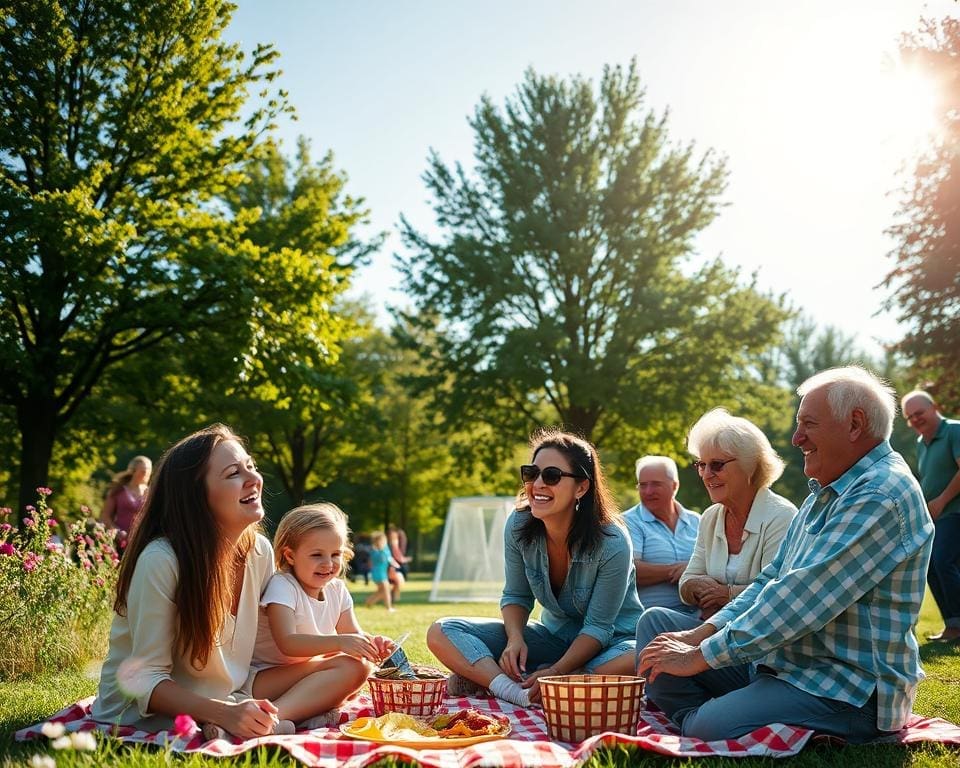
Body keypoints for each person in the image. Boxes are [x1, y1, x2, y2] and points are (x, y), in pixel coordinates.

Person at [637, 366, 935, 743]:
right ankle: (729, 712)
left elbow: (801, 597)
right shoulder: (824, 495)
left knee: (706, 726)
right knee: (657, 632)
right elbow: (768, 581)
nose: (796, 438)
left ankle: (714, 719)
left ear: (855, 424)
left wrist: (698, 656)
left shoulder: (880, 493)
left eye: (807, 424)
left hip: (845, 691)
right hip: (782, 665)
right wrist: (698, 635)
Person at [92, 425, 293, 738]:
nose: (254, 479)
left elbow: (267, 651)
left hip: (230, 692)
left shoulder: (259, 552)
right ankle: (243, 723)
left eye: (251, 466)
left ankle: (262, 721)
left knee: (349, 666)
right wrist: (225, 712)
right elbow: (144, 679)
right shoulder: (162, 560)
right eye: (233, 473)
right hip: (148, 713)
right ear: (196, 496)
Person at [426, 429, 644, 707]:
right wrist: (515, 639)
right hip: (553, 637)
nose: (538, 484)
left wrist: (557, 670)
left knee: (643, 653)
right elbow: (516, 596)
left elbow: (598, 628)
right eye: (531, 473)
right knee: (442, 630)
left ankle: (560, 679)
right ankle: (515, 691)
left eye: (552, 476)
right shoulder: (518, 525)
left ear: (581, 487)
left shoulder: (612, 540)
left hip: (612, 645)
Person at [252, 504, 394, 729]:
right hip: (263, 680)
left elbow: (352, 636)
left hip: (308, 676)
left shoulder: (337, 590)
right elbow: (287, 643)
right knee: (354, 667)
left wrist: (373, 644)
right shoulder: (283, 586)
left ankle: (295, 717)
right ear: (290, 555)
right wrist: (340, 642)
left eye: (335, 554)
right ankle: (267, 719)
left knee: (361, 664)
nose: (328, 564)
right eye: (317, 555)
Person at [677, 409, 797, 619]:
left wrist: (727, 594)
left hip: (755, 633)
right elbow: (686, 582)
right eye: (701, 465)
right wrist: (697, 587)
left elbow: (776, 591)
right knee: (652, 618)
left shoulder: (782, 517)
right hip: (709, 627)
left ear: (749, 466)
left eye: (717, 465)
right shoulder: (710, 517)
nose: (706, 475)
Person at [901, 389, 960, 642]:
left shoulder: (954, 431)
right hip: (936, 516)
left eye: (919, 413)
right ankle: (953, 625)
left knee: (942, 561)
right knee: (931, 567)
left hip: (954, 512)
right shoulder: (920, 443)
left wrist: (941, 501)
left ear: (934, 407)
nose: (915, 419)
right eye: (910, 417)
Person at [621, 456, 700, 614]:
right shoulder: (628, 522)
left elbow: (716, 565)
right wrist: (683, 570)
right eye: (643, 485)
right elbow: (630, 572)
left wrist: (689, 569)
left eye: (656, 484)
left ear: (675, 486)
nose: (648, 492)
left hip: (699, 615)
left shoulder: (698, 521)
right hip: (649, 617)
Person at [100, 455, 152, 548]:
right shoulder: (118, 490)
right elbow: (105, 516)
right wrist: (117, 532)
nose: (146, 474)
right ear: (133, 471)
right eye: (144, 470)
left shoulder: (151, 493)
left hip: (142, 542)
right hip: (119, 543)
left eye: (149, 470)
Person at [364, 531, 398, 611]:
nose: (384, 542)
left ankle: (369, 601)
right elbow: (372, 562)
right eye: (382, 540)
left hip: (383, 572)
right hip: (378, 573)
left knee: (382, 591)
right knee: (386, 590)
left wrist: (394, 564)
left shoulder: (385, 549)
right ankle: (389, 607)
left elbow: (389, 558)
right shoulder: (375, 551)